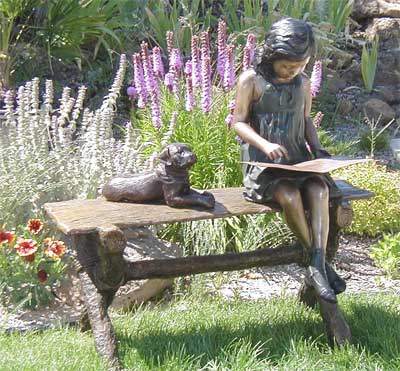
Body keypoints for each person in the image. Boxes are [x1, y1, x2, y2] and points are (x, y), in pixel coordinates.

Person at [232, 17, 345, 303]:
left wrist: (318, 148)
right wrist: (264, 143)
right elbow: (238, 122)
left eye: (299, 66)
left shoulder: (303, 83)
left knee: (319, 190)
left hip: (298, 158)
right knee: (291, 196)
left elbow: (306, 120)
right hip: (264, 164)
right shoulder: (251, 80)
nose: (292, 71)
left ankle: (316, 262)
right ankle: (318, 263)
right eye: (286, 66)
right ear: (271, 57)